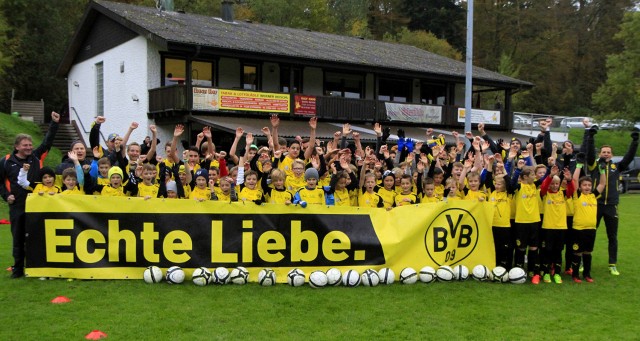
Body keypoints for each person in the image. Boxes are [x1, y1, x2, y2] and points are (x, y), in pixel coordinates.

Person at [0, 111, 59, 278]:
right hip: (17, 205)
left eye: (30, 144)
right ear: (17, 146)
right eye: (25, 145)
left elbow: (47, 143)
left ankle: (37, 268)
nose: (29, 147)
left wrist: (54, 123)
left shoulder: (35, 157)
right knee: (18, 237)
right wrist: (6, 196)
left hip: (38, 204)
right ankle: (18, 269)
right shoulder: (6, 161)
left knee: (38, 236)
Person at [585, 122, 639, 275]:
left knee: (612, 236)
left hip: (611, 206)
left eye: (608, 152)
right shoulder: (594, 166)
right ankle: (583, 260)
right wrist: (591, 137)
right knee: (589, 233)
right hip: (595, 204)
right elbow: (589, 154)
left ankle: (612, 264)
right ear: (600, 154)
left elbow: (628, 157)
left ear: (612, 155)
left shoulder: (617, 167)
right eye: (603, 152)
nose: (606, 154)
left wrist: (635, 141)